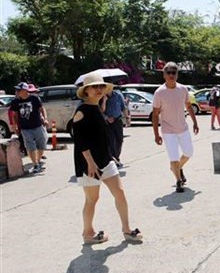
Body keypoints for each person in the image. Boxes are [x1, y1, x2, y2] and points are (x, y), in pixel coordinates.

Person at [72, 72, 142, 244]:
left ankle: (126, 229)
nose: (98, 89)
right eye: (94, 87)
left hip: (105, 160)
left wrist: (112, 156)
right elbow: (80, 140)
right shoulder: (82, 111)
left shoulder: (96, 108)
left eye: (101, 86)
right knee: (92, 199)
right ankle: (88, 233)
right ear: (86, 91)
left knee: (120, 193)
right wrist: (90, 163)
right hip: (89, 164)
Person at [152, 62, 200, 193]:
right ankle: (179, 180)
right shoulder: (159, 92)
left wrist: (195, 122)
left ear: (177, 75)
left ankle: (178, 167)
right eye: (169, 72)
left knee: (189, 153)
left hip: (183, 128)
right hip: (168, 130)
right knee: (173, 157)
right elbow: (155, 114)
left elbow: (189, 106)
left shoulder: (183, 89)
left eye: (174, 72)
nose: (171, 75)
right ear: (164, 75)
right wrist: (156, 134)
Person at [9, 82, 48, 173]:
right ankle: (35, 164)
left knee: (41, 145)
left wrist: (45, 119)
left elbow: (42, 109)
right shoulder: (15, 102)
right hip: (25, 128)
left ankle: (38, 161)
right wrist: (15, 127)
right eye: (17, 90)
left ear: (25, 90)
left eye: (19, 90)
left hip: (38, 125)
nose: (17, 91)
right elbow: (14, 115)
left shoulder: (34, 98)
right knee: (31, 147)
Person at [101, 88, 131, 168]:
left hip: (117, 120)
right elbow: (100, 111)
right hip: (107, 122)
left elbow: (123, 107)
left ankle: (116, 157)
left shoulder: (118, 95)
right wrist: (107, 117)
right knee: (111, 141)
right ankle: (113, 159)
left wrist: (127, 118)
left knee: (119, 140)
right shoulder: (101, 96)